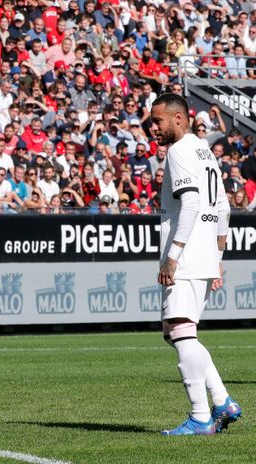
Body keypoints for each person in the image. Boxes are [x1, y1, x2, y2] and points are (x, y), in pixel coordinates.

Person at [151, 94, 240, 436]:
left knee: (182, 334)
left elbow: (189, 205)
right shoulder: (203, 149)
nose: (153, 128)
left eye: (157, 121)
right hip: (202, 252)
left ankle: (202, 416)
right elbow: (223, 207)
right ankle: (222, 400)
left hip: (186, 255)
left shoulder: (179, 151)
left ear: (177, 119)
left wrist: (172, 257)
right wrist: (217, 259)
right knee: (174, 332)